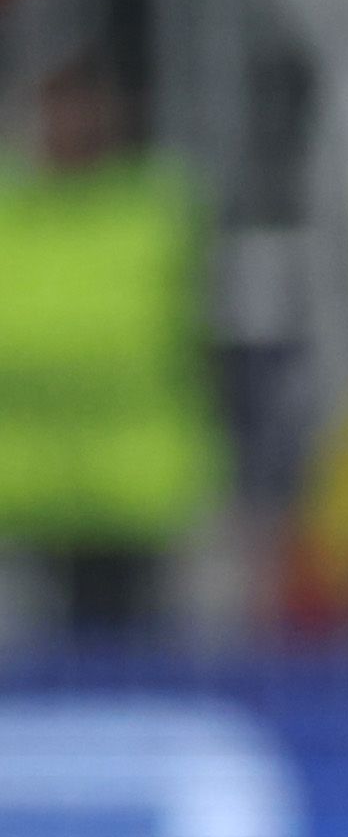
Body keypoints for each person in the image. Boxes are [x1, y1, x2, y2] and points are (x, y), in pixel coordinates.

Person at [0, 57, 223, 637]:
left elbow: (141, 340)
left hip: (141, 504)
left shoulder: (158, 210)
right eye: (57, 106)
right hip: (22, 506)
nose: (71, 123)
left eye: (84, 105)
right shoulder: (10, 212)